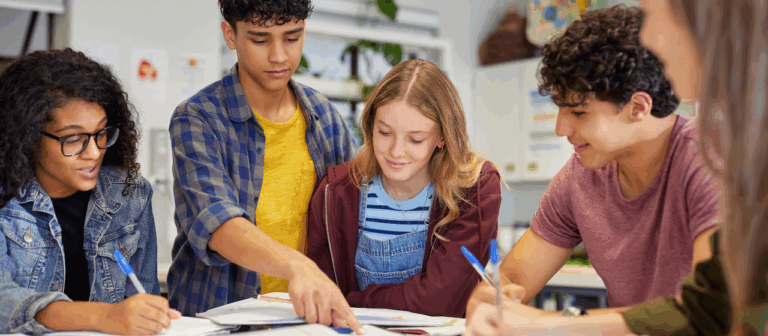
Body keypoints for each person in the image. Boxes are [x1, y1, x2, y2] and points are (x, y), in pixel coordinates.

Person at [465, 0, 768, 335]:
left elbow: (708, 313)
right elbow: (514, 278)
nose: (561, 128)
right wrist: (491, 295)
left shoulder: (709, 162)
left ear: (638, 107)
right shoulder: (579, 177)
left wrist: (546, 326)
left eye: (579, 113)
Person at [166, 0, 361, 331]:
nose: (279, 56)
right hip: (220, 320)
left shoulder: (324, 116)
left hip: (304, 321)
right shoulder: (197, 119)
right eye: (260, 40)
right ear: (230, 35)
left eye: (292, 38)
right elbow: (219, 224)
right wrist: (298, 266)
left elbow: (356, 210)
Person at [0, 48, 180, 335]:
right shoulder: (6, 202)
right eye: (74, 139)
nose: (94, 152)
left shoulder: (129, 194)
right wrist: (104, 316)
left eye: (101, 133)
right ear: (28, 137)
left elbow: (142, 299)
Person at [306, 59, 502, 318]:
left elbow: (438, 300)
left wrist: (349, 303)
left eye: (415, 139)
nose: (396, 152)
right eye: (384, 133)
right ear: (370, 126)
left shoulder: (473, 188)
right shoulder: (335, 192)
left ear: (442, 137)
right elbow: (320, 292)